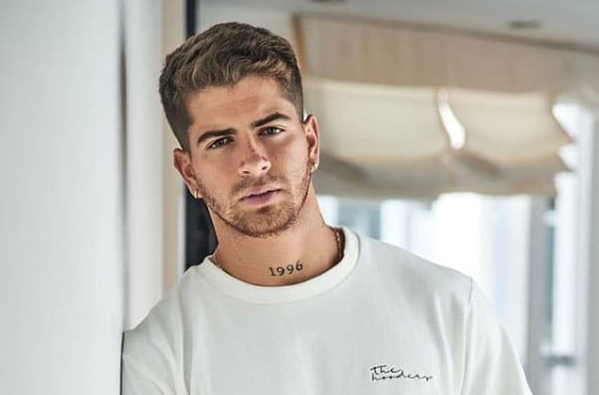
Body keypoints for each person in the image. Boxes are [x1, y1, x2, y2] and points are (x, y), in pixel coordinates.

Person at [121, 22, 532, 395]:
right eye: (221, 141)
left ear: (311, 142)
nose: (254, 161)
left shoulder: (449, 305)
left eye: (271, 129)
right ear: (189, 172)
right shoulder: (162, 354)